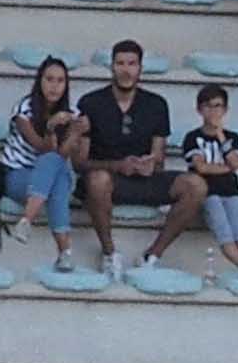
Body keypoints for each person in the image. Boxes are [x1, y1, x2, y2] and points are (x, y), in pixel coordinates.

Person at [143, 85, 238, 284]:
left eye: (218, 106)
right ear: (199, 110)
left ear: (225, 110)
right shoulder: (192, 137)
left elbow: (235, 162)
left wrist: (221, 136)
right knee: (224, 229)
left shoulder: (232, 137)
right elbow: (201, 167)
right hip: (208, 192)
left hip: (232, 191)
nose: (213, 111)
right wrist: (225, 168)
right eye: (208, 106)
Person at [71, 40, 173, 271]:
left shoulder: (157, 104)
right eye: (120, 63)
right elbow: (79, 162)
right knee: (98, 180)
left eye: (132, 63)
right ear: (111, 67)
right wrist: (118, 165)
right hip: (107, 180)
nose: (126, 70)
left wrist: (150, 164)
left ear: (140, 68)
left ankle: (152, 255)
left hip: (144, 180)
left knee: (195, 186)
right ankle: (109, 254)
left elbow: (159, 157)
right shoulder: (91, 102)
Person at [0, 57, 86, 267]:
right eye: (49, 79)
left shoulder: (73, 114)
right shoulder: (23, 110)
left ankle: (26, 221)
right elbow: (42, 148)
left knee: (58, 177)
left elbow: (64, 156)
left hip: (52, 175)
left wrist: (75, 133)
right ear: (39, 81)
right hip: (18, 174)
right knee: (54, 171)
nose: (54, 86)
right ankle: (64, 251)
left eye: (60, 81)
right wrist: (50, 128)